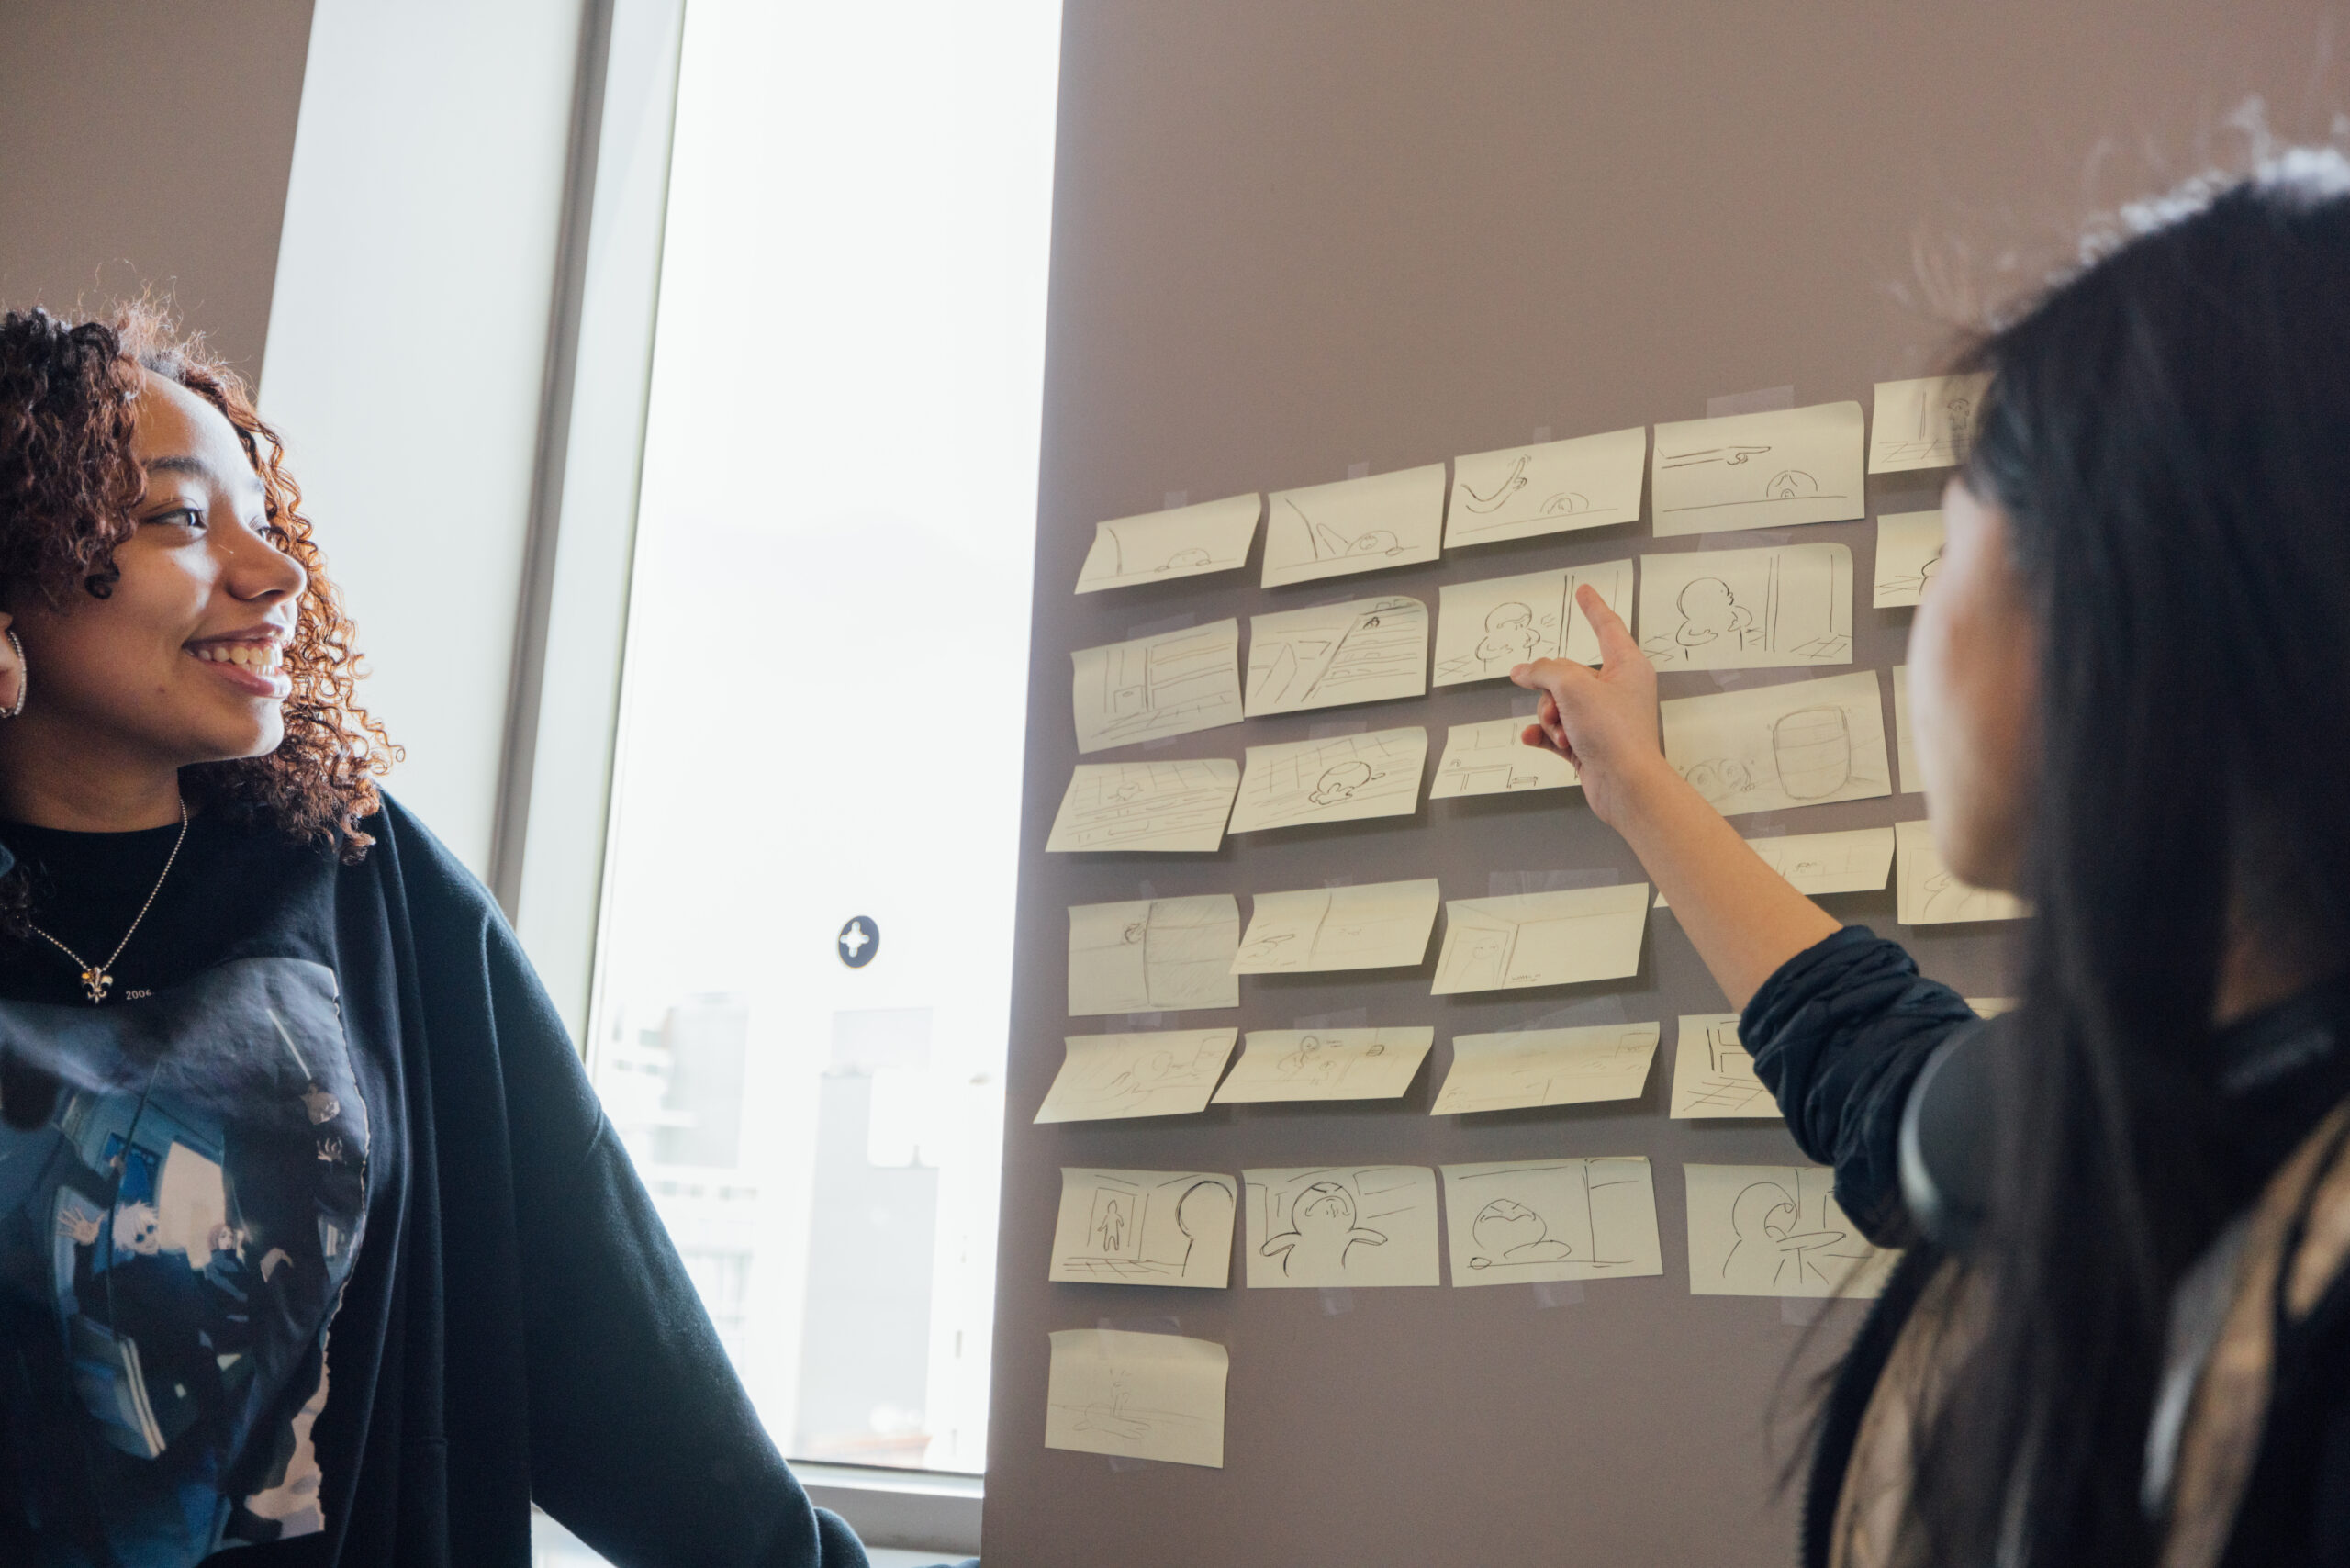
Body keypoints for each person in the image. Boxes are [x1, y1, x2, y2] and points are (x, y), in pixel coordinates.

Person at [1512, 157, 2350, 1568]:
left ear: (2118, 606)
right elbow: (1886, 1073)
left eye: (1950, 542)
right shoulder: (2159, 1116)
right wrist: (1640, 790)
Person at [0, 305, 870, 1566]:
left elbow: (602, 1324)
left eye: (265, 519)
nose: (277, 572)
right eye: (185, 520)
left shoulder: (366, 885)